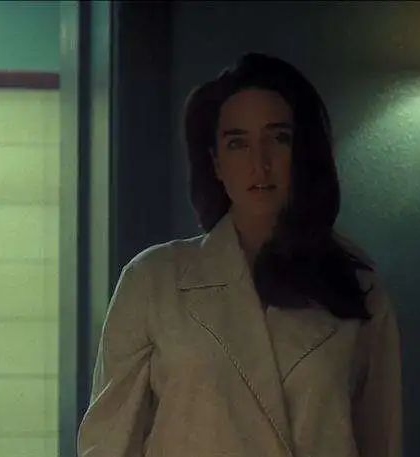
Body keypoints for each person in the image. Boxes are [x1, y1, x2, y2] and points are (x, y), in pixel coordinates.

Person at [77, 53, 402, 457]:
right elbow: (108, 444)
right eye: (238, 143)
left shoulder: (357, 286)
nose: (259, 164)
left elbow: (381, 440)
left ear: (302, 151)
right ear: (216, 163)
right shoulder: (153, 280)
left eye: (278, 139)